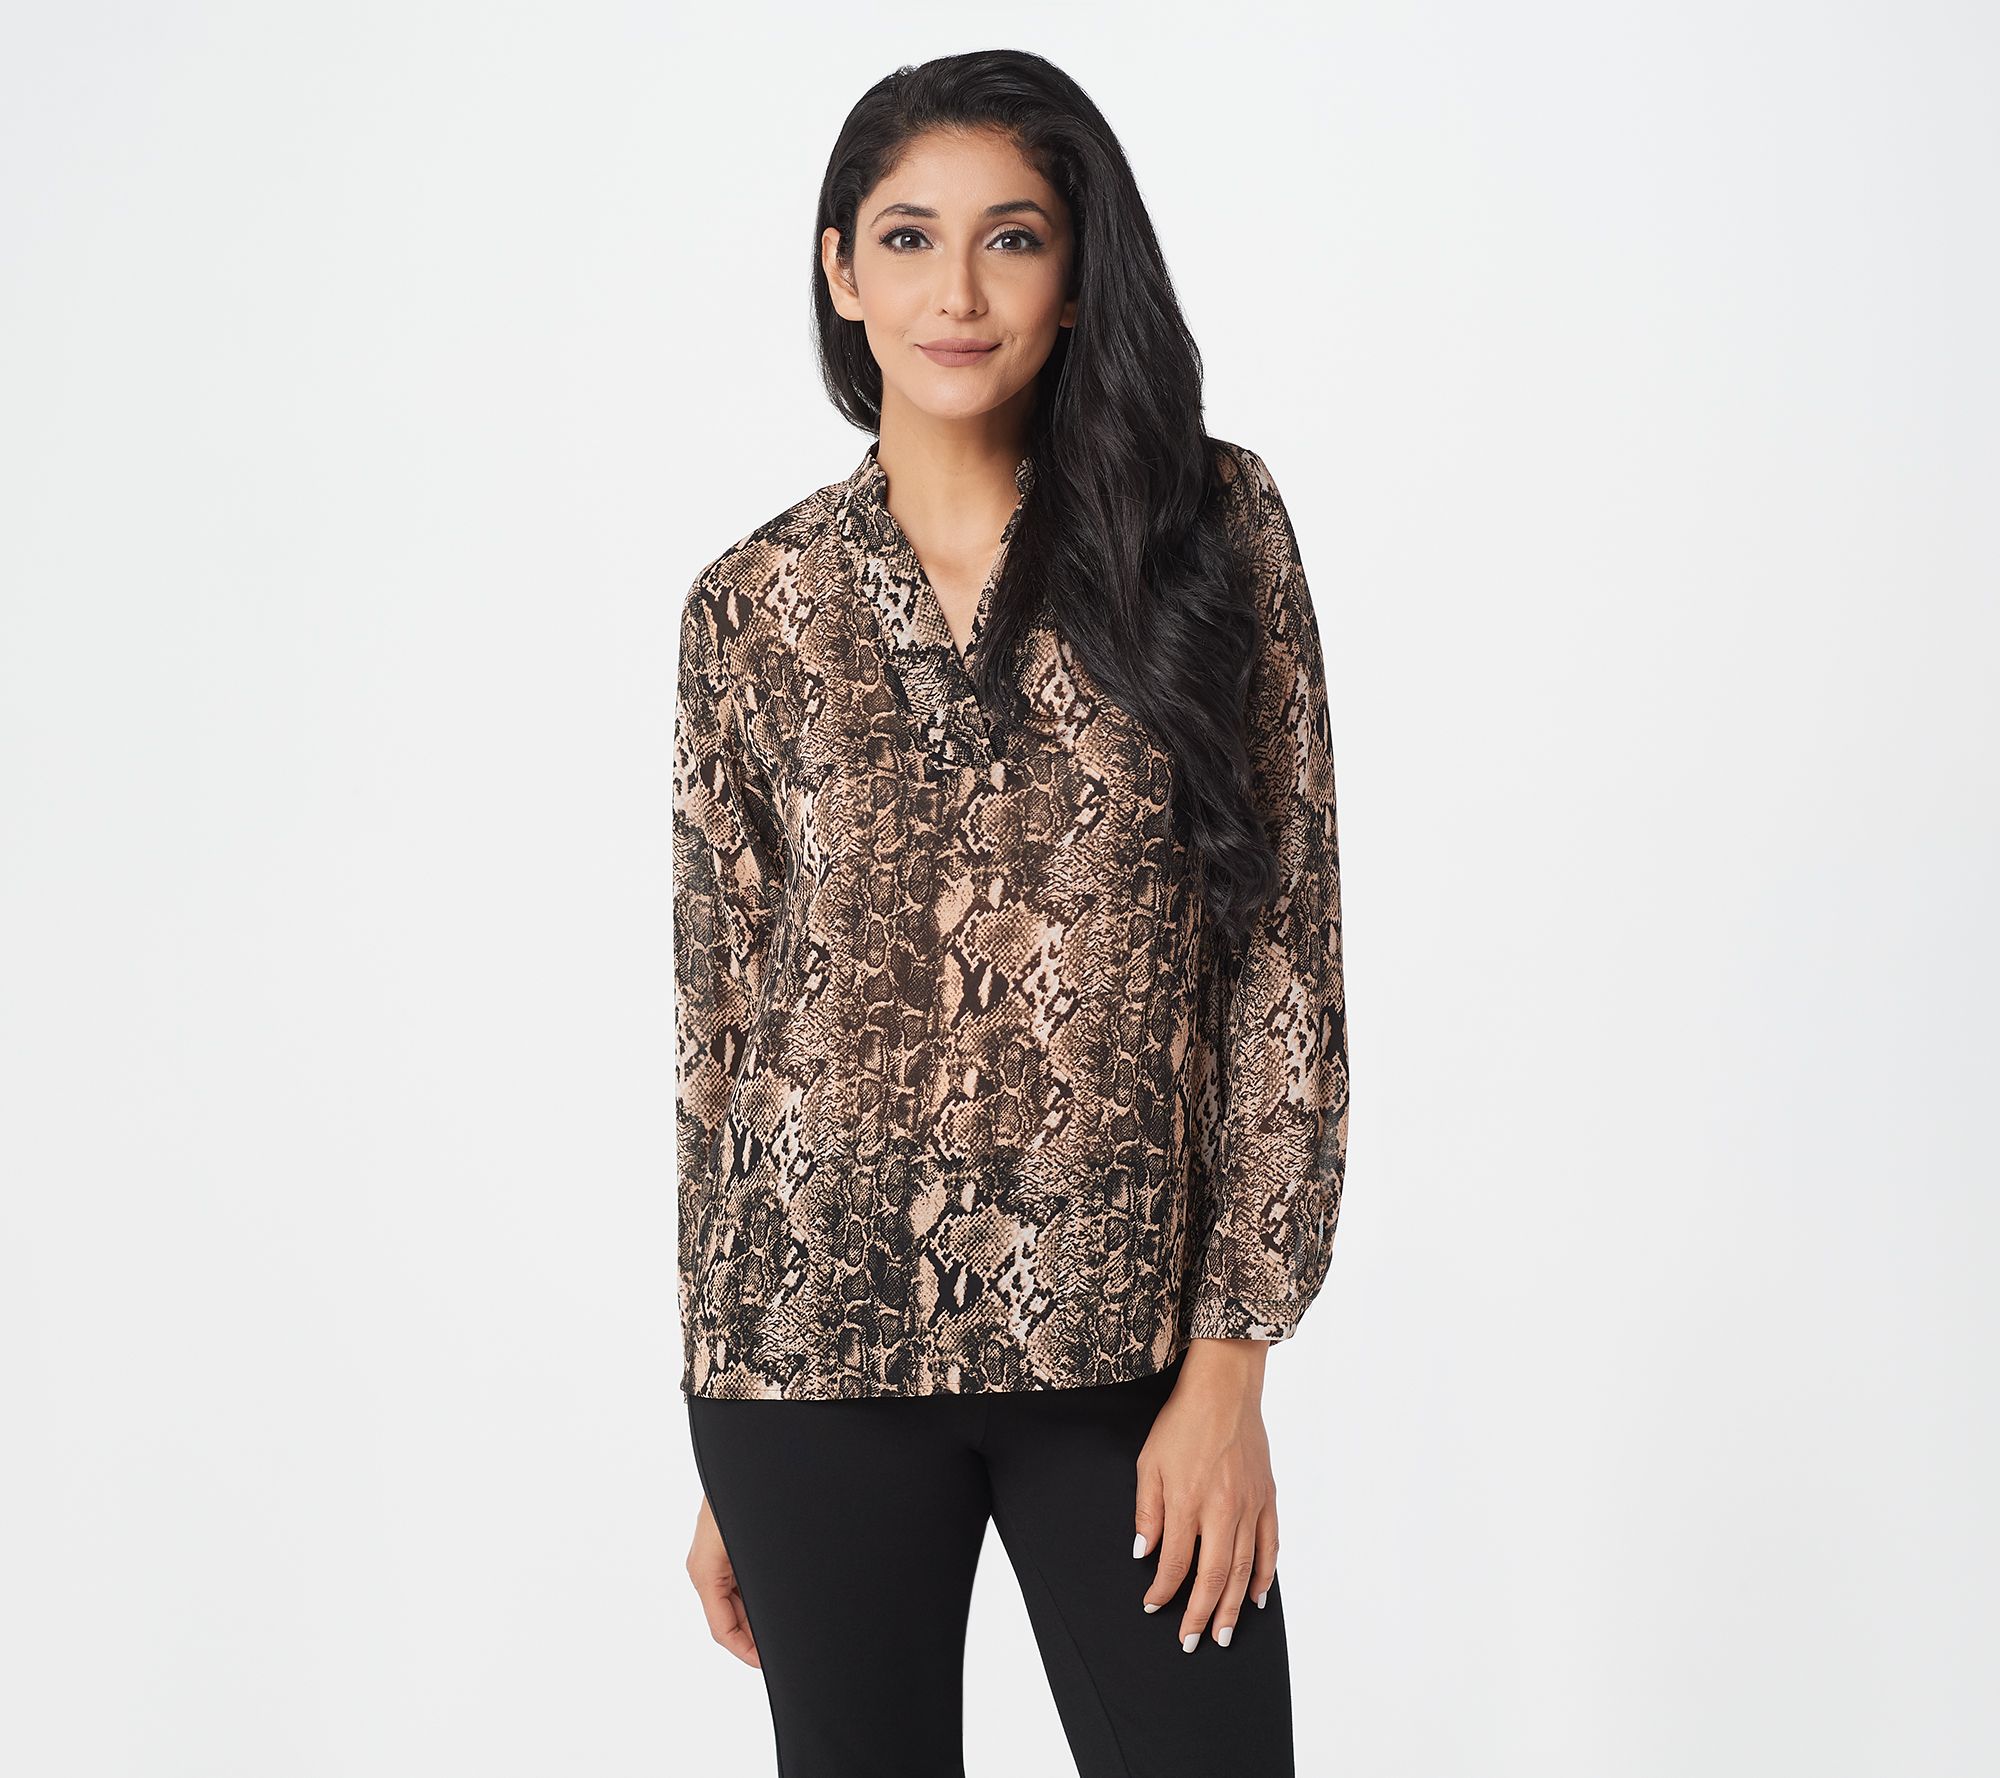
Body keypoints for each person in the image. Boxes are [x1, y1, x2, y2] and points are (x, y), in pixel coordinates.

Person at [672, 47, 1349, 1778]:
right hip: (803, 1363)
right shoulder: (751, 604)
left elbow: (1284, 965)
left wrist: (1231, 1370)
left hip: (1127, 1351)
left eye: (1012, 237)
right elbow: (723, 1036)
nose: (956, 293)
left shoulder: (1212, 535)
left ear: (1077, 270)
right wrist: (723, 1424)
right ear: (841, 271)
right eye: (907, 238)